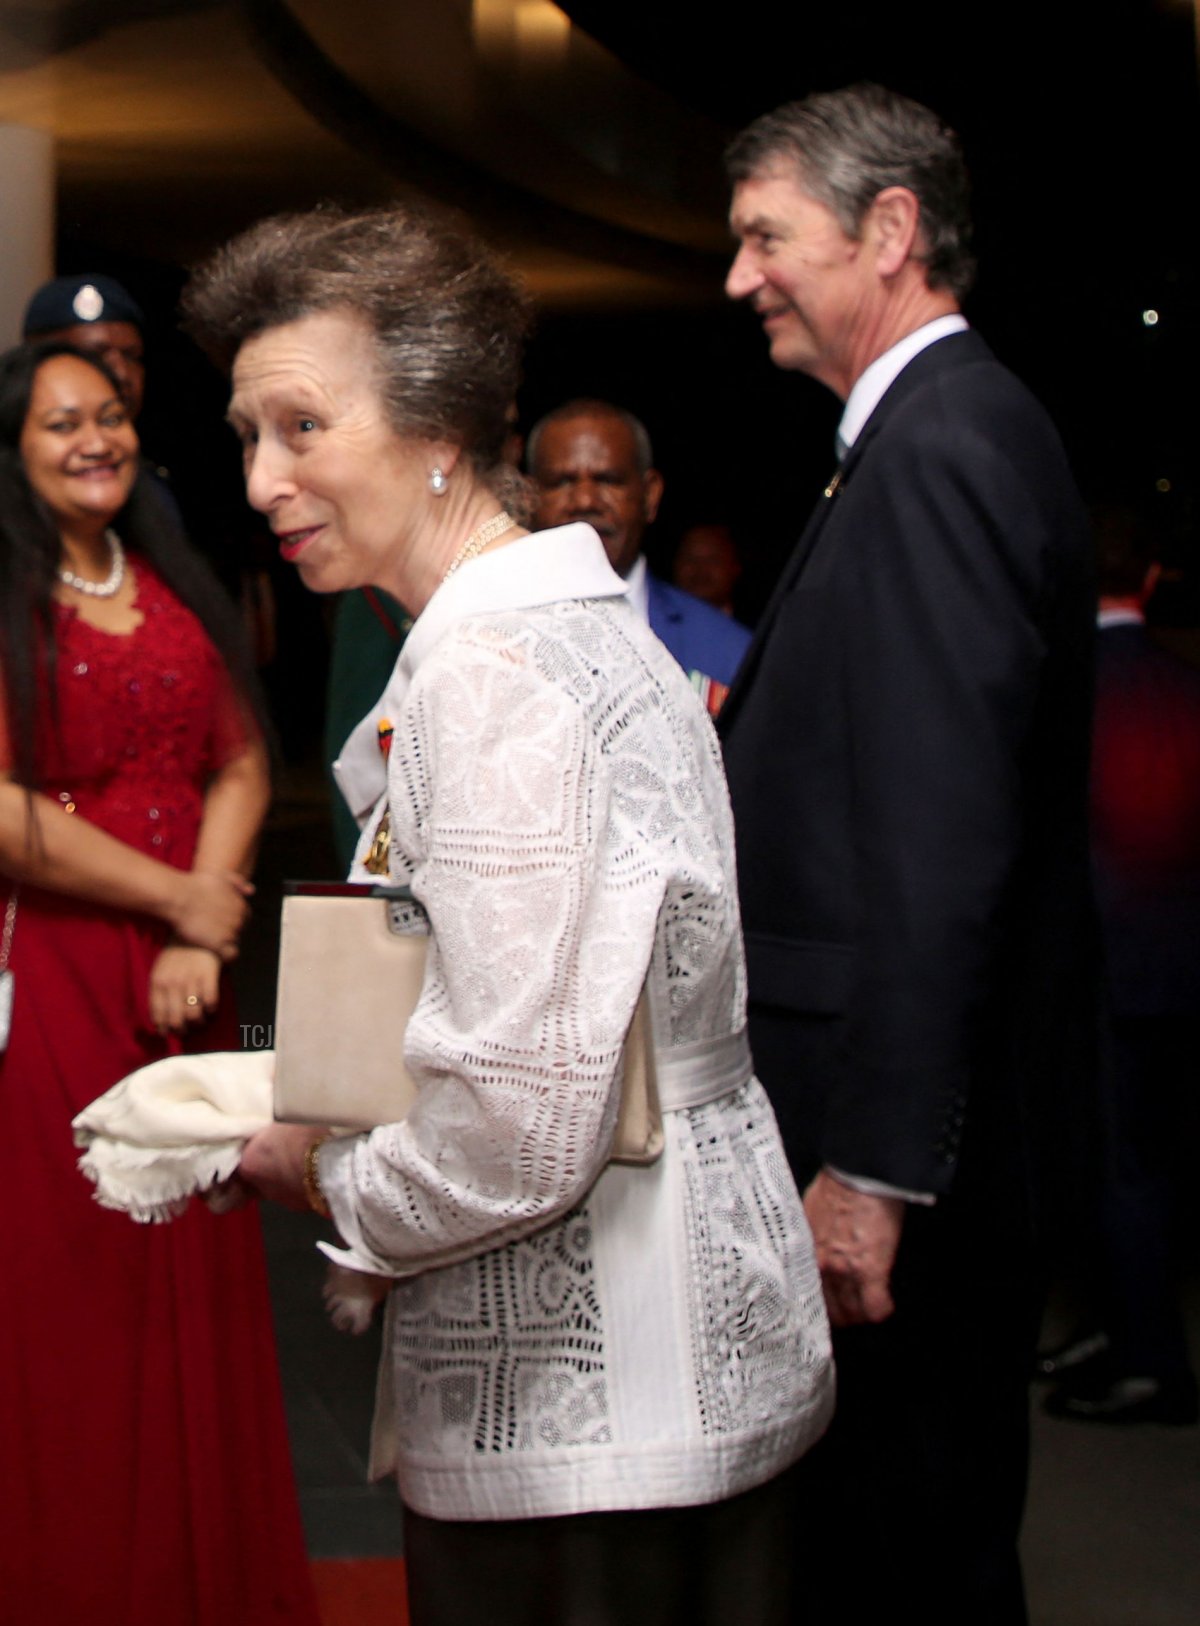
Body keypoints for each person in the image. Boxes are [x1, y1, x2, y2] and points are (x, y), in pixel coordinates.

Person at [183, 201, 833, 1626]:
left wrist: (318, 1167)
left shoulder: (493, 670)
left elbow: (517, 1130)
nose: (261, 479)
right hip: (690, 1350)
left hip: (597, 1412)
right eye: (246, 434)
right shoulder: (580, 624)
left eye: (301, 427)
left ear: (438, 428)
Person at [718, 84, 1096, 1622]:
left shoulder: (941, 447)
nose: (738, 277)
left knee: (908, 1553)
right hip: (896, 1130)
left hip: (899, 1162)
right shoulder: (914, 443)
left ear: (889, 231)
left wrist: (873, 1167)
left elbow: (943, 848)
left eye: (763, 236)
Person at [0, 341, 318, 1626]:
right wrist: (170, 897)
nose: (94, 440)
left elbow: (241, 757)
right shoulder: (8, 595)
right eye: (59, 422)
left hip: (178, 977)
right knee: (75, 1282)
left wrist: (202, 927)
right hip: (64, 970)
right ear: (14, 453)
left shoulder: (171, 585)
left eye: (111, 416)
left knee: (190, 1254)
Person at [1041, 511, 1200, 1424]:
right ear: (1148, 582)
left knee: (1116, 1170)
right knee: (1141, 1166)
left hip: (1102, 976)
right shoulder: (1184, 684)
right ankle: (1114, 1325)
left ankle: (1152, 1360)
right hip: (1178, 970)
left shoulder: (1068, 688)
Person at [528, 400, 751, 708]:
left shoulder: (727, 651)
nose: (584, 500)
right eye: (561, 482)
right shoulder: (481, 636)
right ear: (527, 497)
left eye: (608, 480)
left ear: (650, 495)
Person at [672, 522, 744, 617]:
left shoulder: (756, 628)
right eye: (690, 558)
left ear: (734, 568)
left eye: (712, 560)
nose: (700, 568)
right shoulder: (650, 622)